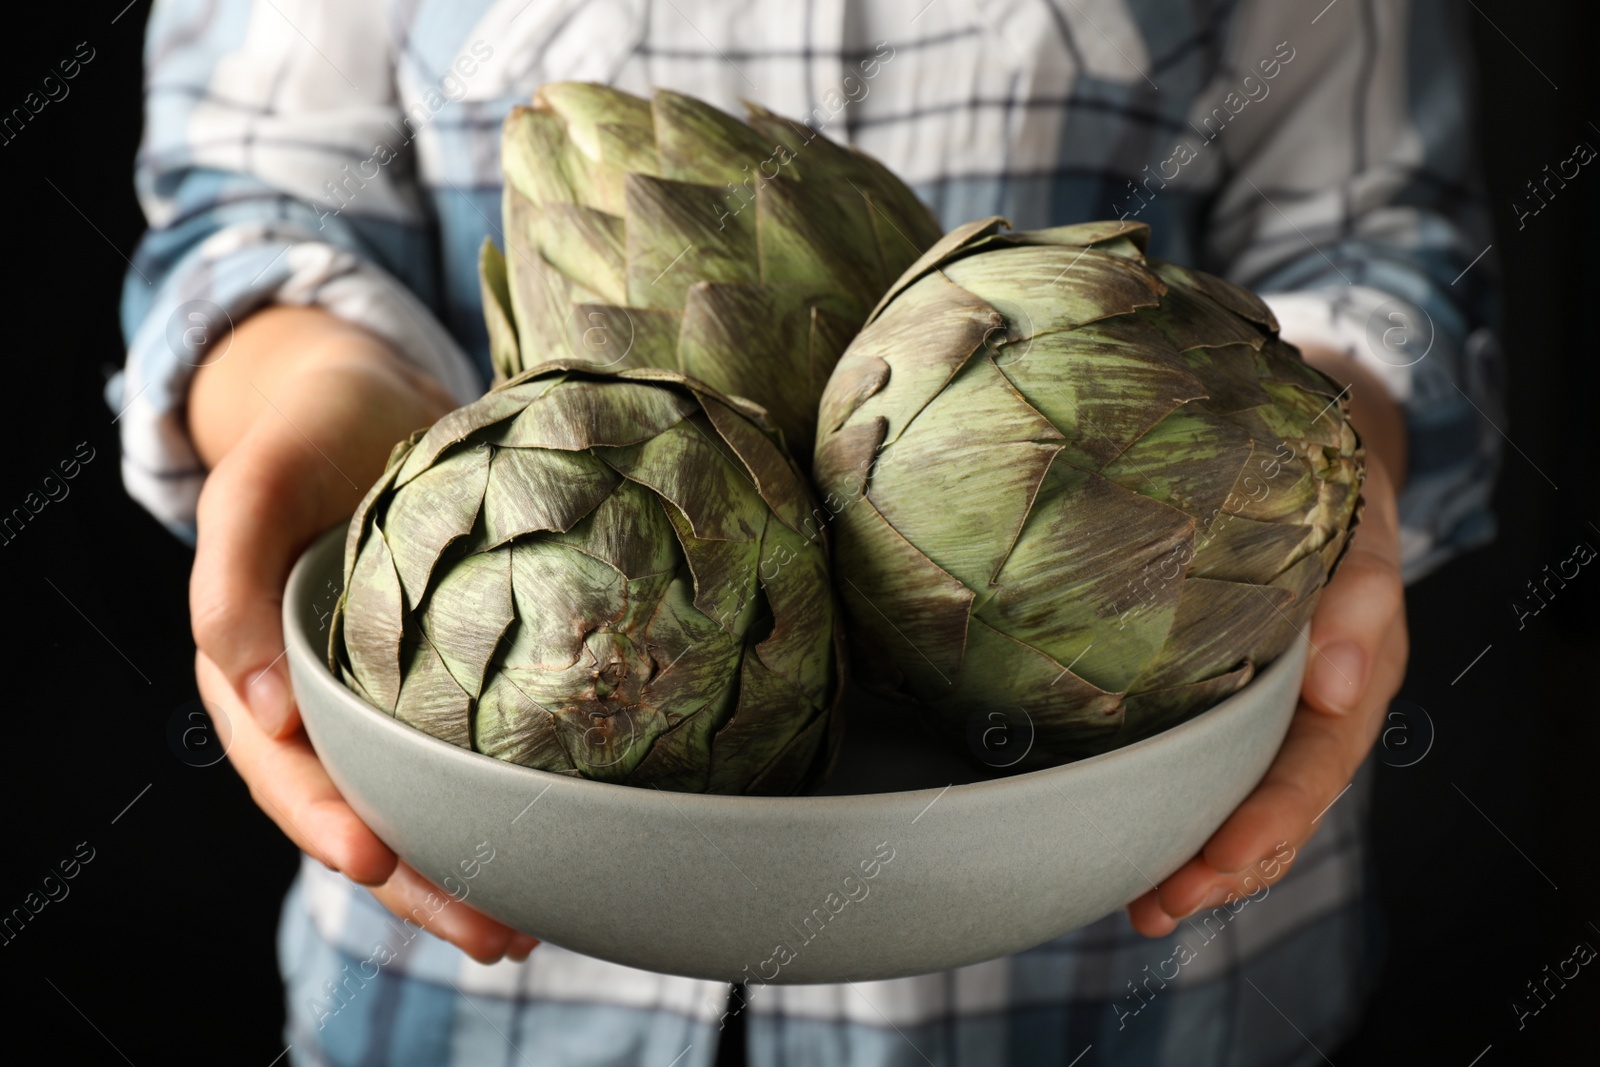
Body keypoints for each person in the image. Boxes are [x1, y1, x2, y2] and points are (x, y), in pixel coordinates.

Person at [113, 1, 1500, 1063]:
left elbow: (1374, 234)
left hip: (1129, 988)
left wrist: (1327, 463)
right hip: (484, 1009)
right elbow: (250, 206)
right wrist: (311, 389)